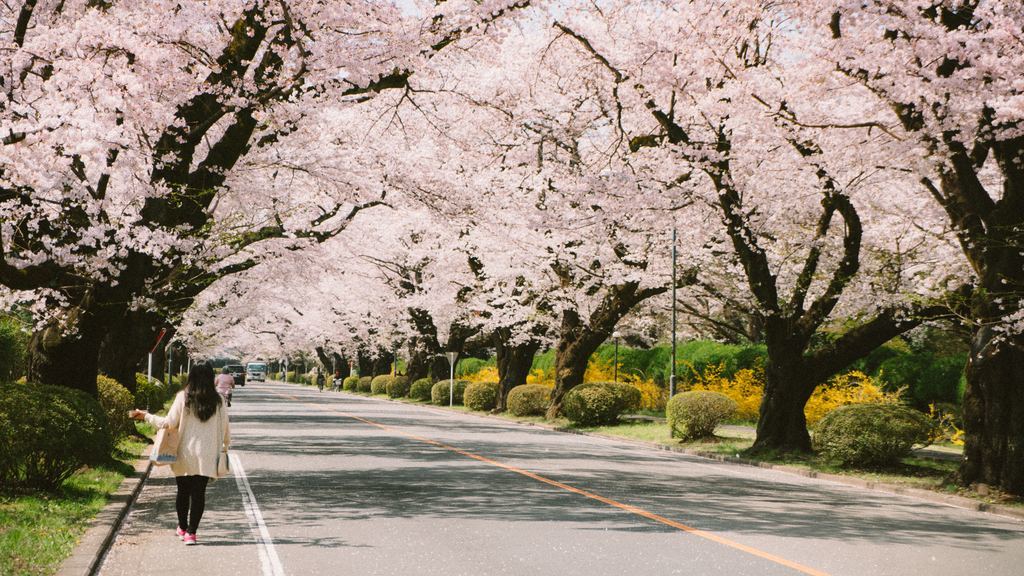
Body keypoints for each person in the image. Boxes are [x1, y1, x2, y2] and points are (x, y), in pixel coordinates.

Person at [130, 363, 230, 546]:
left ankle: (182, 527)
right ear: (210, 378)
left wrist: (146, 416)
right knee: (199, 494)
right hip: (207, 454)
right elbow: (225, 428)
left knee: (183, 492)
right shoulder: (219, 401)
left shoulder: (183, 398)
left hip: (184, 453)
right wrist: (225, 445)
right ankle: (191, 533)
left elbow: (168, 423)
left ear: (191, 377)